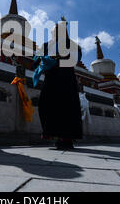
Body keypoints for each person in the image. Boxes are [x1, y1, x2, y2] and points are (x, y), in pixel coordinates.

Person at [34, 21, 83, 150]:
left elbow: (75, 58)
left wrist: (58, 58)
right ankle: (53, 135)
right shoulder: (45, 45)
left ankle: (67, 139)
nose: (57, 32)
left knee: (67, 107)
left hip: (66, 77)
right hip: (51, 78)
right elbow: (36, 60)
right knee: (45, 105)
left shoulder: (72, 45)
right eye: (55, 30)